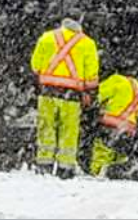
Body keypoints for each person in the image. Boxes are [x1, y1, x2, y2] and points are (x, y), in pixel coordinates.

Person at [30, 14, 99, 179]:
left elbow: (35, 65)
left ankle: (44, 165)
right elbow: (91, 76)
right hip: (72, 96)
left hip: (47, 93)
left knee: (46, 127)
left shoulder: (46, 38)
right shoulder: (87, 44)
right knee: (68, 131)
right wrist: (89, 93)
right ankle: (65, 168)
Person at [88, 73, 138, 178]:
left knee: (102, 151)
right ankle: (117, 175)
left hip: (111, 123)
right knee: (120, 154)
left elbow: (98, 95)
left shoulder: (117, 80)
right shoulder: (136, 85)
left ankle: (97, 173)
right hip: (129, 127)